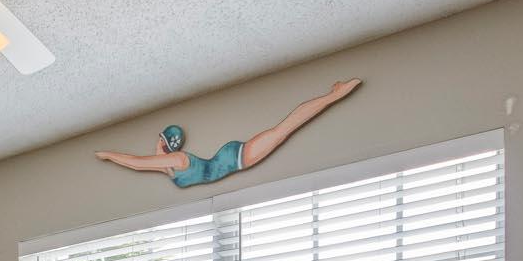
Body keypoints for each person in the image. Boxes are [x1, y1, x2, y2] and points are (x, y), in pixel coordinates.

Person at [94, 78, 362, 188]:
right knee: (282, 130)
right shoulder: (169, 168)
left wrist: (107, 154)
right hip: (229, 160)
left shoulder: (176, 162)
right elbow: (147, 166)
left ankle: (334, 95)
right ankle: (332, 96)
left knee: (284, 129)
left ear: (164, 144)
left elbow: (138, 163)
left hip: (232, 159)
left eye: (159, 141)